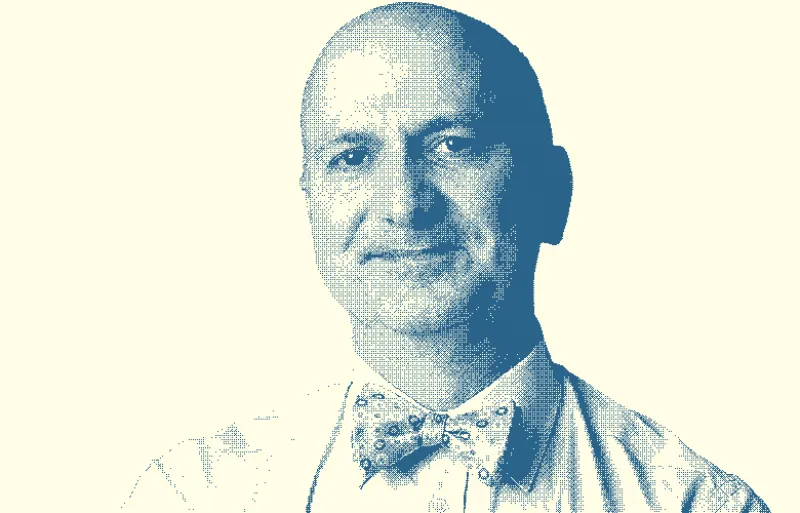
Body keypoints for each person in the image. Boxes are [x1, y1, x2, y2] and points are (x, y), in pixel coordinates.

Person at [122, 3, 768, 511]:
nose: (404, 204)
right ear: (312, 203)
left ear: (551, 193)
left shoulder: (691, 503)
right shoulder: (192, 496)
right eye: (352, 156)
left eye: (453, 146)